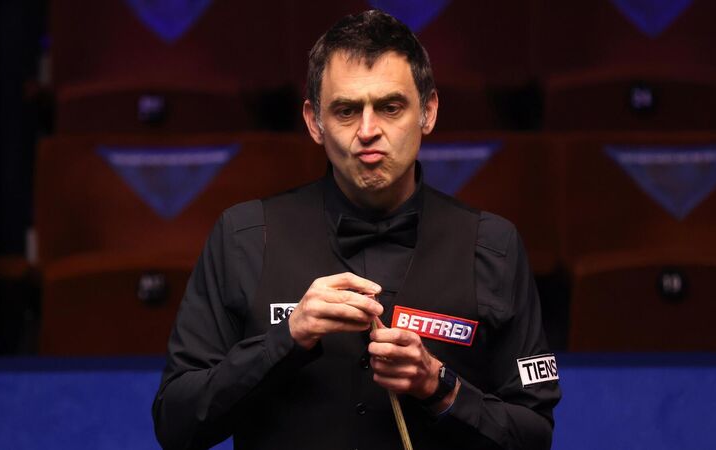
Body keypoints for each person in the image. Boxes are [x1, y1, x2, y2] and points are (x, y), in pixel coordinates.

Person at [153, 9, 560, 450]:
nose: (368, 131)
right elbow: (176, 422)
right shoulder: (244, 236)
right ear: (314, 122)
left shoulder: (494, 245)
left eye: (390, 107)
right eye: (346, 111)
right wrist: (287, 338)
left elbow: (534, 435)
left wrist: (439, 387)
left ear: (428, 112)